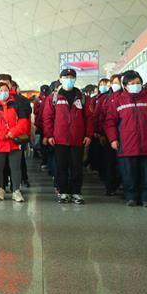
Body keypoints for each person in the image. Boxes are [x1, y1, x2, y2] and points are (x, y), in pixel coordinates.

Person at [103, 71, 147, 207]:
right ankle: (131, 196)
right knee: (129, 174)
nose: (135, 85)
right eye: (132, 83)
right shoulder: (118, 100)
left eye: (138, 83)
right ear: (125, 86)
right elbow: (110, 122)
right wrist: (113, 139)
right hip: (127, 144)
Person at [43, 68, 93, 204]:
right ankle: (63, 191)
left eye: (71, 77)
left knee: (77, 167)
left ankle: (76, 192)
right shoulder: (53, 98)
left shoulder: (82, 98)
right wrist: (48, 135)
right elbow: (47, 118)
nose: (68, 80)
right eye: (66, 77)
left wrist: (88, 135)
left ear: (75, 79)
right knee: (61, 167)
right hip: (60, 139)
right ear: (60, 79)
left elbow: (89, 118)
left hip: (78, 139)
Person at [0, 81, 29, 202]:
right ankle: (0, 189)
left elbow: (24, 121)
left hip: (15, 141)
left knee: (15, 168)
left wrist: (13, 132)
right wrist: (1, 135)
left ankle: (16, 191)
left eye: (6, 90)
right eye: (0, 91)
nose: (3, 93)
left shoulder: (17, 103)